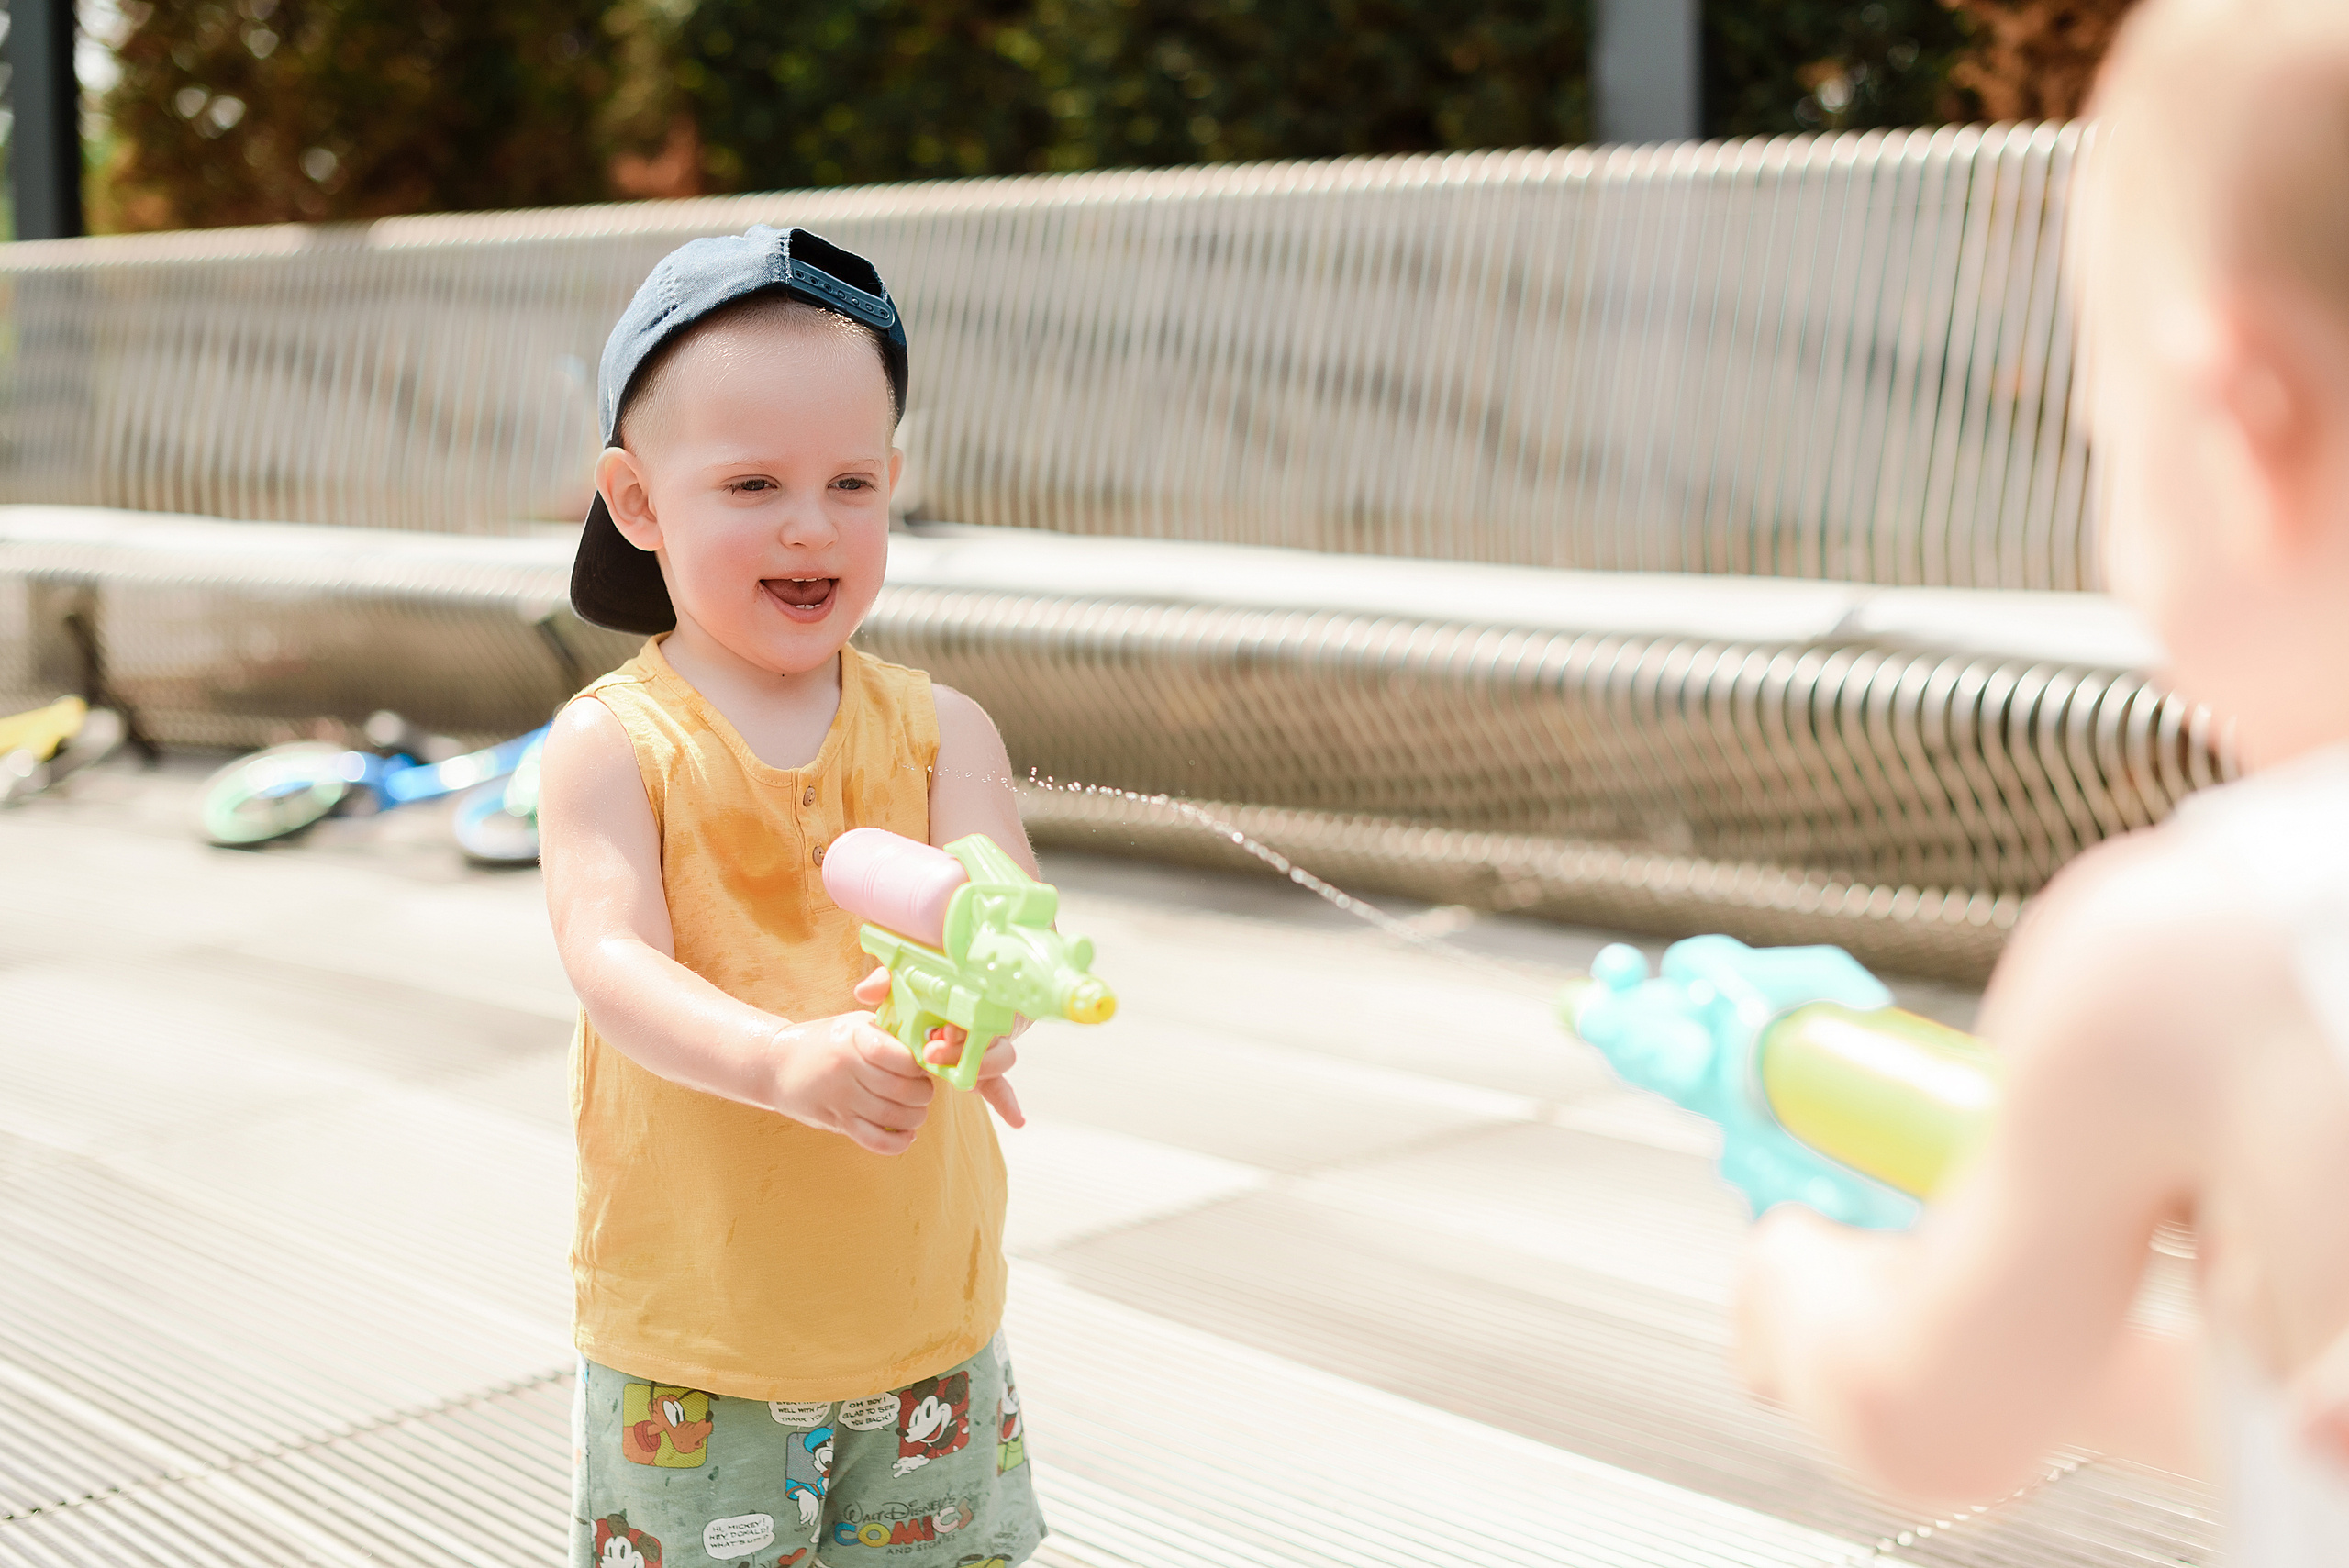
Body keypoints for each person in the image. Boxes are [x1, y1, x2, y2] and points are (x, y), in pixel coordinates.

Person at [1733, 1, 2349, 1560]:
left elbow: (1938, 1419)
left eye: (2105, 438)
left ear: (2240, 421)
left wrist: (1807, 1283)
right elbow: (2284, 1403)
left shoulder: (2194, 954)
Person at [537, 227, 1046, 1568]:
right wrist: (778, 1057)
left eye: (851, 481)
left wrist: (995, 1002)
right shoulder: (614, 743)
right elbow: (609, 960)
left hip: (925, 1320)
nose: (812, 525)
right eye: (753, 482)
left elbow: (1005, 902)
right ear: (640, 503)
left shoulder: (945, 732)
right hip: (701, 1341)